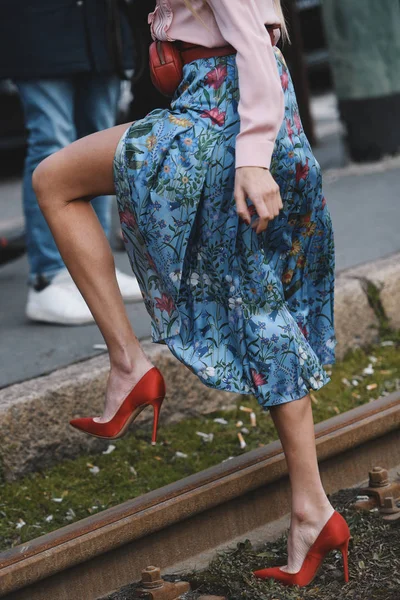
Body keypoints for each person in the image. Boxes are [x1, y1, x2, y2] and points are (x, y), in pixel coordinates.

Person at [32, 0, 350, 588]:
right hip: (253, 110)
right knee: (261, 309)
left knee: (54, 180)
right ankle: (312, 510)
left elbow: (251, 43)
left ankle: (128, 365)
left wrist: (251, 161)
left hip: (222, 115)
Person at [0, 0, 142, 325]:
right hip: (36, 23)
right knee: (51, 143)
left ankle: (96, 269)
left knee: (100, 148)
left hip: (99, 25)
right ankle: (48, 277)